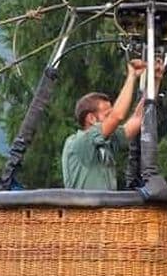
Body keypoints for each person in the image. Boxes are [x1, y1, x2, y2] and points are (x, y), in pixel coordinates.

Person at [61, 59, 147, 190]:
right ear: (91, 118)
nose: (110, 120)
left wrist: (155, 80)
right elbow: (117, 116)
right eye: (107, 115)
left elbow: (138, 118)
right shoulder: (79, 143)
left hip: (106, 210)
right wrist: (132, 76)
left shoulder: (107, 142)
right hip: (85, 210)